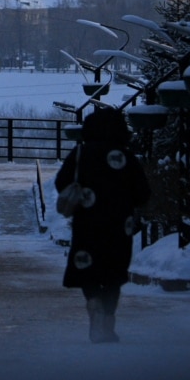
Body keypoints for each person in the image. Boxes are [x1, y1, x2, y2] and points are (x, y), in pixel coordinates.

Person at [54, 108, 152, 343]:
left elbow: (62, 183)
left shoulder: (81, 153)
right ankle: (108, 319)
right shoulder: (126, 157)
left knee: (88, 270)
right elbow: (143, 193)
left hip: (87, 224)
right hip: (119, 227)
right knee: (113, 274)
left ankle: (93, 303)